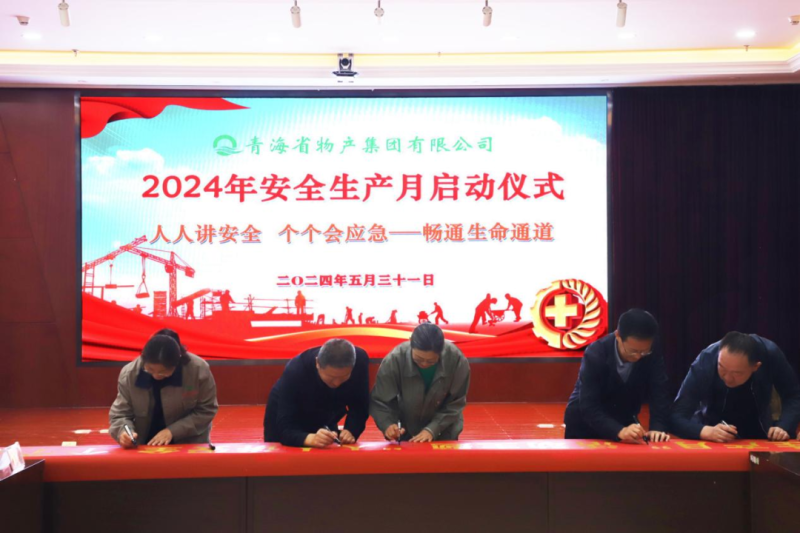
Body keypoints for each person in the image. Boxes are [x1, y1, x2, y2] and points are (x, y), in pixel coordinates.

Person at [564, 309, 671, 444]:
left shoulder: (651, 350)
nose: (638, 356)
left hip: (623, 420)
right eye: (632, 351)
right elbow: (589, 405)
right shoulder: (596, 353)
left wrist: (657, 427)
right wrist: (618, 430)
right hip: (584, 424)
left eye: (644, 352)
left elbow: (659, 390)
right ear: (618, 335)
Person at [671, 332, 800, 443]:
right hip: (711, 430)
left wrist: (783, 426)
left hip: (759, 432)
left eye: (737, 373)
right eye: (722, 368)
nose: (727, 378)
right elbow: (677, 415)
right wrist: (703, 431)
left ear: (756, 367)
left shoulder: (770, 354)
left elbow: (793, 395)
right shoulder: (707, 359)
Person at [109, 329, 218, 448]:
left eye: (163, 372)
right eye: (150, 370)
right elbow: (120, 415)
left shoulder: (198, 370)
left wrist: (172, 431)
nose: (156, 376)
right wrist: (124, 431)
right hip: (145, 444)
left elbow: (206, 410)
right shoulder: (130, 374)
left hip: (187, 442)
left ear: (177, 364)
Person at [371, 323, 471, 442]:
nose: (424, 364)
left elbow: (456, 403)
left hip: (445, 428)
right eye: (418, 359)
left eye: (431, 361)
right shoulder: (394, 360)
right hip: (407, 427)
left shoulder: (456, 360)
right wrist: (388, 424)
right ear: (410, 342)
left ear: (441, 350)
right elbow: (380, 400)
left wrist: (432, 429)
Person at [264, 339, 369, 448]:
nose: (337, 383)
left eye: (343, 377)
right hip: (289, 411)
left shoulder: (360, 361)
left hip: (327, 405)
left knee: (327, 443)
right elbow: (285, 428)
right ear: (317, 363)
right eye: (331, 377)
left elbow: (361, 404)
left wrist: (351, 430)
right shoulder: (295, 371)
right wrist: (309, 438)